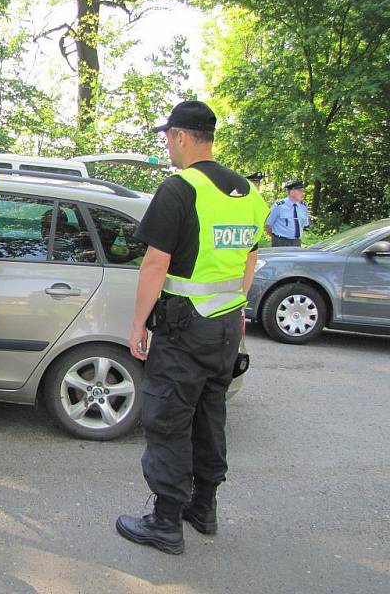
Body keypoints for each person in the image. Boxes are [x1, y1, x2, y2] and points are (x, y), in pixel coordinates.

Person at [115, 101, 269, 555]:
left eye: (167, 137)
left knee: (168, 419)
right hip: (224, 327)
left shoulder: (181, 189)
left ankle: (164, 523)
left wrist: (139, 324)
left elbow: (155, 263)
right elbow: (250, 259)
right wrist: (235, 308)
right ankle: (204, 508)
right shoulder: (247, 193)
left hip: (184, 327)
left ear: (182, 136)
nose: (166, 145)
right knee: (209, 415)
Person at [264, 180, 310, 247]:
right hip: (280, 242)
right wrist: (276, 238)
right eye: (300, 191)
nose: (303, 193)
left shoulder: (303, 207)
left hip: (296, 242)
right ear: (291, 192)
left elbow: (304, 225)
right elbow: (267, 225)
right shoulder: (279, 206)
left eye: (303, 191)